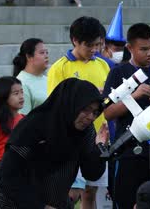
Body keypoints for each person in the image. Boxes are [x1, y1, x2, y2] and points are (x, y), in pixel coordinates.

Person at [0, 79, 108, 209]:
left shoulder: (84, 130)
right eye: (86, 109)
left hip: (55, 202)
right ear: (71, 104)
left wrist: (99, 148)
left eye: (95, 112)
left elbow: (92, 173)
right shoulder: (34, 126)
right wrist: (41, 206)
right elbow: (7, 179)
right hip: (13, 203)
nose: (91, 117)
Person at [103, 23, 150, 209]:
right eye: (143, 49)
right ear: (130, 48)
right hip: (127, 153)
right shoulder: (118, 73)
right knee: (126, 202)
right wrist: (133, 96)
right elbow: (108, 113)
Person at [47, 16, 110, 208]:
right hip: (72, 140)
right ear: (75, 40)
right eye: (89, 45)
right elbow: (55, 106)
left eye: (98, 45)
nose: (94, 50)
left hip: (99, 139)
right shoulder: (60, 68)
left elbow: (108, 101)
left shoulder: (103, 65)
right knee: (70, 193)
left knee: (91, 191)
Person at [0, 77, 24, 200]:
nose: (21, 96)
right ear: (3, 97)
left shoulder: (25, 120)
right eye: (15, 93)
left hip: (22, 168)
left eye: (22, 92)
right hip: (0, 170)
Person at [12, 38, 48, 115]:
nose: (46, 56)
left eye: (47, 52)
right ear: (29, 57)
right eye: (42, 53)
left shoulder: (48, 79)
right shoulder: (21, 82)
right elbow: (23, 119)